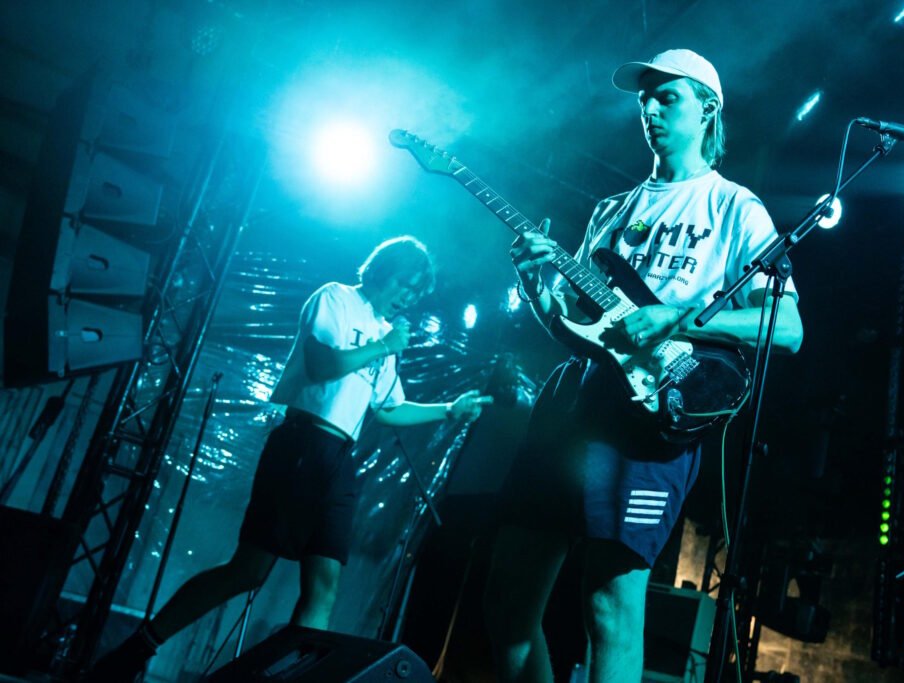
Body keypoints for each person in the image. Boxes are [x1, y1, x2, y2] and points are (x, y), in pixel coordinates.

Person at [484, 50, 804, 682]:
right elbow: (579, 332)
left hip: (651, 415)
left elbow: (787, 328)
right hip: (573, 404)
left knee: (610, 609)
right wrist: (536, 288)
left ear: (707, 109)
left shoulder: (735, 208)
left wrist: (677, 319)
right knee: (507, 598)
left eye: (667, 97)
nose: (650, 109)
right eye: (644, 100)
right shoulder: (611, 210)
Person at [91, 236, 493, 681]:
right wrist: (384, 346)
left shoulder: (385, 332)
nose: (408, 297)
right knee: (247, 570)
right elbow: (321, 366)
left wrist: (448, 409)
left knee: (324, 584)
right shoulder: (336, 299)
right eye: (405, 283)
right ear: (383, 270)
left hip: (341, 458)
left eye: (417, 292)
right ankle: (139, 646)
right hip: (302, 444)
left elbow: (388, 408)